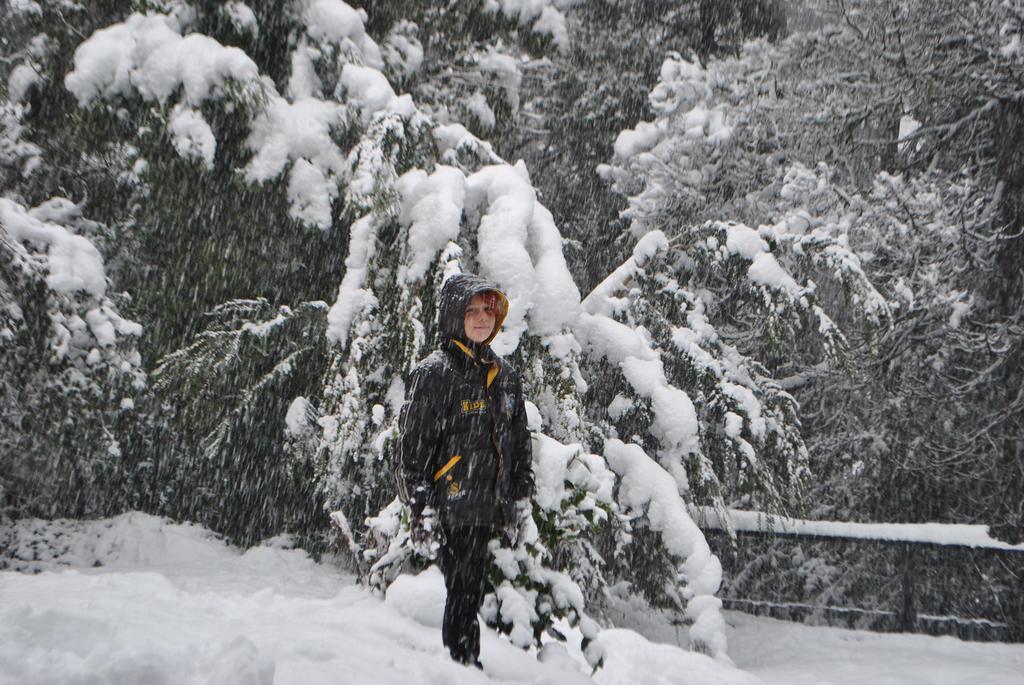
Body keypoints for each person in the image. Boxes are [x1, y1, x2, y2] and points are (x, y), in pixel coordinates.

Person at [397, 273, 535, 668]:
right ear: (453, 316)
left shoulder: (504, 376)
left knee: (469, 590)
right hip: (450, 505)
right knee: (462, 592)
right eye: (471, 310)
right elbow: (412, 451)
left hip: (486, 506)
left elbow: (519, 441)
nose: (480, 319)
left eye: (487, 311)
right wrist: (421, 509)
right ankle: (459, 664)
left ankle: (460, 664)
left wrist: (520, 496)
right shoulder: (435, 373)